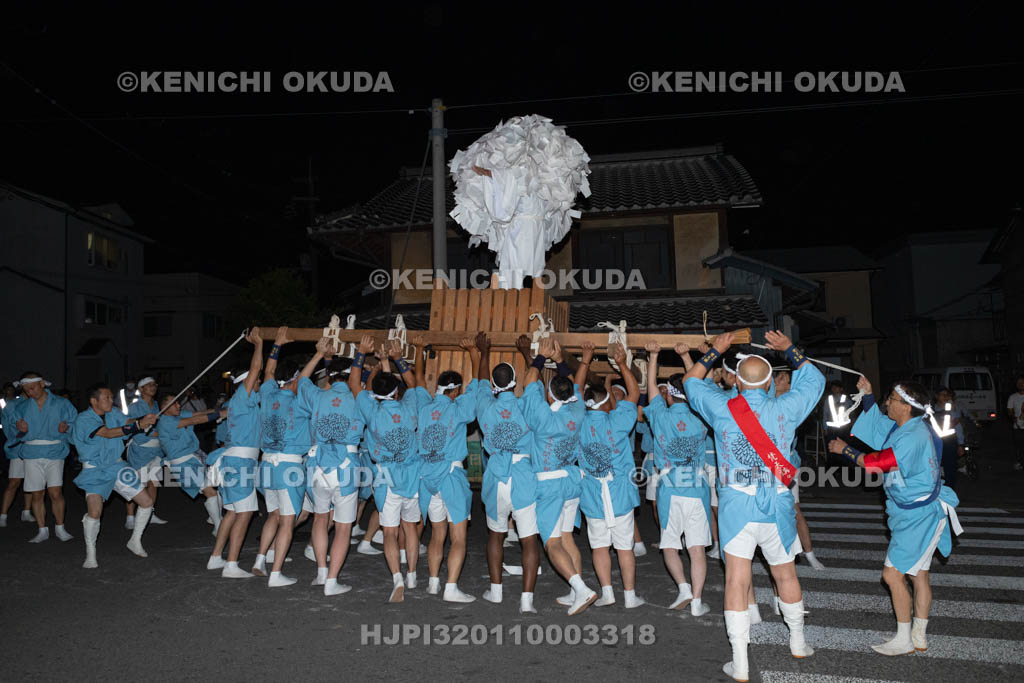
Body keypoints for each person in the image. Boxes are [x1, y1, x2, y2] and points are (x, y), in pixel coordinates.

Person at [684, 330, 823, 682]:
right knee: (785, 574)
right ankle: (797, 641)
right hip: (776, 503)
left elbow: (691, 381)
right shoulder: (786, 407)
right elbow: (815, 379)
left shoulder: (722, 406)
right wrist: (790, 349)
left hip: (736, 506)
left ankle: (740, 662)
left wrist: (716, 351)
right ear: (769, 383)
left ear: (738, 383)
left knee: (736, 578)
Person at [830, 377, 961, 655]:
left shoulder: (912, 436)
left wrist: (845, 450)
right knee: (919, 575)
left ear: (906, 406)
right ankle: (918, 635)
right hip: (919, 512)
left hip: (919, 517)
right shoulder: (907, 426)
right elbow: (879, 428)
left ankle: (904, 639)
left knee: (892, 575)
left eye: (891, 399)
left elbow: (878, 463)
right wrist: (867, 395)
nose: (886, 402)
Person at [518, 336, 598, 615]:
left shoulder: (543, 416)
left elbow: (529, 382)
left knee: (551, 543)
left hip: (550, 483)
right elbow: (574, 385)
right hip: (572, 480)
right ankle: (574, 592)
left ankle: (581, 589)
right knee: (567, 538)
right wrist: (560, 359)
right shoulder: (577, 409)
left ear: (550, 396)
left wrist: (540, 357)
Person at [351, 335, 423, 602]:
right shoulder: (408, 406)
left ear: (375, 394)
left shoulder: (372, 410)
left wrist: (361, 353)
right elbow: (413, 384)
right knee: (410, 527)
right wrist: (396, 359)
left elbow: (354, 384)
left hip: (385, 478)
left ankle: (397, 578)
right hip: (411, 476)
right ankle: (412, 573)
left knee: (390, 532)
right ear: (395, 393)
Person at [643, 343, 712, 617]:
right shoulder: (700, 415)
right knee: (697, 549)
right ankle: (696, 600)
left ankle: (683, 588)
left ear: (669, 395)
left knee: (670, 545)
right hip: (696, 487)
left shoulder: (660, 415)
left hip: (670, 488)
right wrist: (687, 358)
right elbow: (701, 387)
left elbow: (651, 388)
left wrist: (653, 356)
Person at [475, 332, 541, 611]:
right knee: (529, 540)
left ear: (494, 385)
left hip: (496, 478)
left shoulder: (484, 404)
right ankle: (527, 600)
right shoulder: (526, 403)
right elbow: (534, 379)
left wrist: (484, 351)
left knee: (495, 535)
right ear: (515, 383)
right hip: (523, 477)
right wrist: (527, 353)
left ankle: (496, 592)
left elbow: (480, 381)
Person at [578, 342, 645, 609]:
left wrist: (585, 361)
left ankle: (607, 594)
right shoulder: (617, 421)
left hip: (593, 496)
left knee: (599, 548)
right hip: (619, 496)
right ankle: (630, 596)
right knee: (625, 548)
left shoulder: (578, 422)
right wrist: (622, 364)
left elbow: (575, 392)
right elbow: (634, 394)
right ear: (607, 403)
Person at [413, 336, 479, 603]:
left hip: (427, 477)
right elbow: (476, 386)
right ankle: (451, 588)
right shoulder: (457, 409)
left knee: (437, 534)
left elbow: (418, 380)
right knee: (458, 536)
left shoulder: (424, 408)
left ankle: (433, 582)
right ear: (454, 391)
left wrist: (419, 350)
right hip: (451, 477)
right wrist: (474, 352)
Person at [252, 327, 317, 587]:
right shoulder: (299, 401)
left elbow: (268, 371)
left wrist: (277, 345)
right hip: (288, 467)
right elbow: (303, 379)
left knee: (274, 516)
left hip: (266, 465)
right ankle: (276, 573)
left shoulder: (267, 394)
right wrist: (317, 356)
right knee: (287, 522)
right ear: (295, 379)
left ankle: (260, 560)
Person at [298, 339, 362, 595]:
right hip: (345, 468)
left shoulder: (317, 395)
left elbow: (302, 380)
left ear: (330, 377)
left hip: (317, 467)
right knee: (343, 527)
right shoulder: (359, 398)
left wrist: (318, 355)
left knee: (320, 519)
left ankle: (321, 572)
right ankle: (332, 581)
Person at [72, 384, 158, 568]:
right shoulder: (83, 419)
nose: (112, 400)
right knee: (95, 512)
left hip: (117, 465)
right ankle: (90, 553)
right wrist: (137, 425)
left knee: (147, 502)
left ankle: (135, 541)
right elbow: (108, 433)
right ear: (94, 401)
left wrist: (142, 420)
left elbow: (127, 422)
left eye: (111, 397)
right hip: (94, 469)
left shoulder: (114, 412)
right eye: (107, 398)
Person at [207, 328, 263, 578]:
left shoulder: (242, 401)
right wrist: (258, 345)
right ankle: (231, 565)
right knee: (245, 513)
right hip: (240, 463)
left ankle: (216, 557)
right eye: (255, 381)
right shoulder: (242, 396)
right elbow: (256, 369)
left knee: (231, 511)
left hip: (234, 460)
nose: (258, 383)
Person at [9, 372, 78, 542]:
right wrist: (20, 430)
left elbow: (74, 422)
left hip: (55, 451)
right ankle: (42, 530)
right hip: (31, 452)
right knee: (37, 493)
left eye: (32, 388)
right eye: (26, 390)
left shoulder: (62, 403)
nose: (30, 392)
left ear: (42, 384)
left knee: (55, 492)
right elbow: (13, 430)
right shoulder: (22, 407)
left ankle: (60, 527)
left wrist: (67, 428)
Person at [774, 369, 826, 571]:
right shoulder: (765, 401)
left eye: (784, 379)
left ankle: (809, 553)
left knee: (794, 510)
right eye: (778, 376)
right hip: (765, 466)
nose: (778, 380)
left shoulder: (791, 405)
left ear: (790, 386)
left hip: (786, 466)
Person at [125, 377, 168, 527]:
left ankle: (150, 513)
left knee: (154, 483)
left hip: (157, 450)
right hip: (140, 450)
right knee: (137, 485)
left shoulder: (158, 406)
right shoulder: (134, 407)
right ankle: (130, 517)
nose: (153, 387)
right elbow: (131, 427)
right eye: (148, 385)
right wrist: (152, 433)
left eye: (154, 384)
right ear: (141, 389)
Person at [1, 383, 33, 527]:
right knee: (14, 482)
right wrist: (16, 439)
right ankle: (3, 515)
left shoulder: (36, 403)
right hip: (18, 448)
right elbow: (8, 427)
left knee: (31, 482)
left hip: (34, 448)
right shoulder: (13, 405)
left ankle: (26, 511)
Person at [934, 387, 963, 490]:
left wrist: (961, 444)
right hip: (934, 442)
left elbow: (958, 427)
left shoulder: (952, 409)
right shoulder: (931, 409)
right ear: (937, 396)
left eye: (947, 395)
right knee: (934, 466)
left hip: (949, 442)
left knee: (950, 468)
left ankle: (950, 490)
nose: (945, 397)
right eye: (943, 395)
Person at [1006, 375, 1024, 470]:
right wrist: (1014, 418)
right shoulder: (1012, 397)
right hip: (1018, 426)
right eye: (1018, 383)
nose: (1020, 384)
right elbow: (1010, 411)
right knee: (1019, 446)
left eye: (1022, 382)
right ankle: (1019, 462)